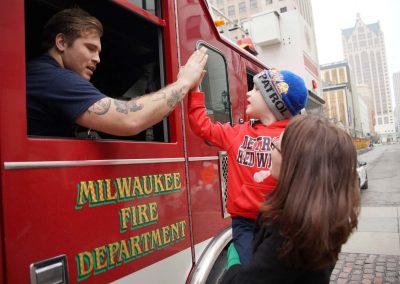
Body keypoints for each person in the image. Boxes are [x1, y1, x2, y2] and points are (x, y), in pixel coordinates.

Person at [26, 8, 208, 137]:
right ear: (61, 43)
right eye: (90, 48)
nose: (97, 58)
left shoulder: (41, 74)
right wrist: (184, 82)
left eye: (98, 52)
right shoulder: (55, 79)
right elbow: (129, 119)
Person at [188, 68, 308, 264]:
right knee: (251, 271)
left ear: (274, 102)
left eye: (257, 90)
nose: (248, 93)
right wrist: (194, 90)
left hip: (283, 222)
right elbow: (204, 127)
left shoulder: (296, 138)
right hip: (244, 224)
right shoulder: (238, 133)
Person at [222, 115, 361, 283]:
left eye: (275, 146)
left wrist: (233, 262)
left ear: (294, 163)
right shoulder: (324, 218)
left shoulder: (289, 232)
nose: (270, 152)